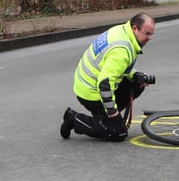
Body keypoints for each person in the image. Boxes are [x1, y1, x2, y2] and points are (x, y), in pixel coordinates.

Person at [60, 13, 156, 141]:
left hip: (89, 82)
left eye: (151, 34)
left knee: (138, 83)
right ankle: (74, 119)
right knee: (118, 133)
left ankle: (104, 117)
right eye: (147, 34)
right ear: (135, 28)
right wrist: (112, 112)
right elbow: (104, 84)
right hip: (90, 92)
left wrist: (135, 75)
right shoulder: (122, 49)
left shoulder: (122, 31)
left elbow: (117, 67)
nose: (149, 38)